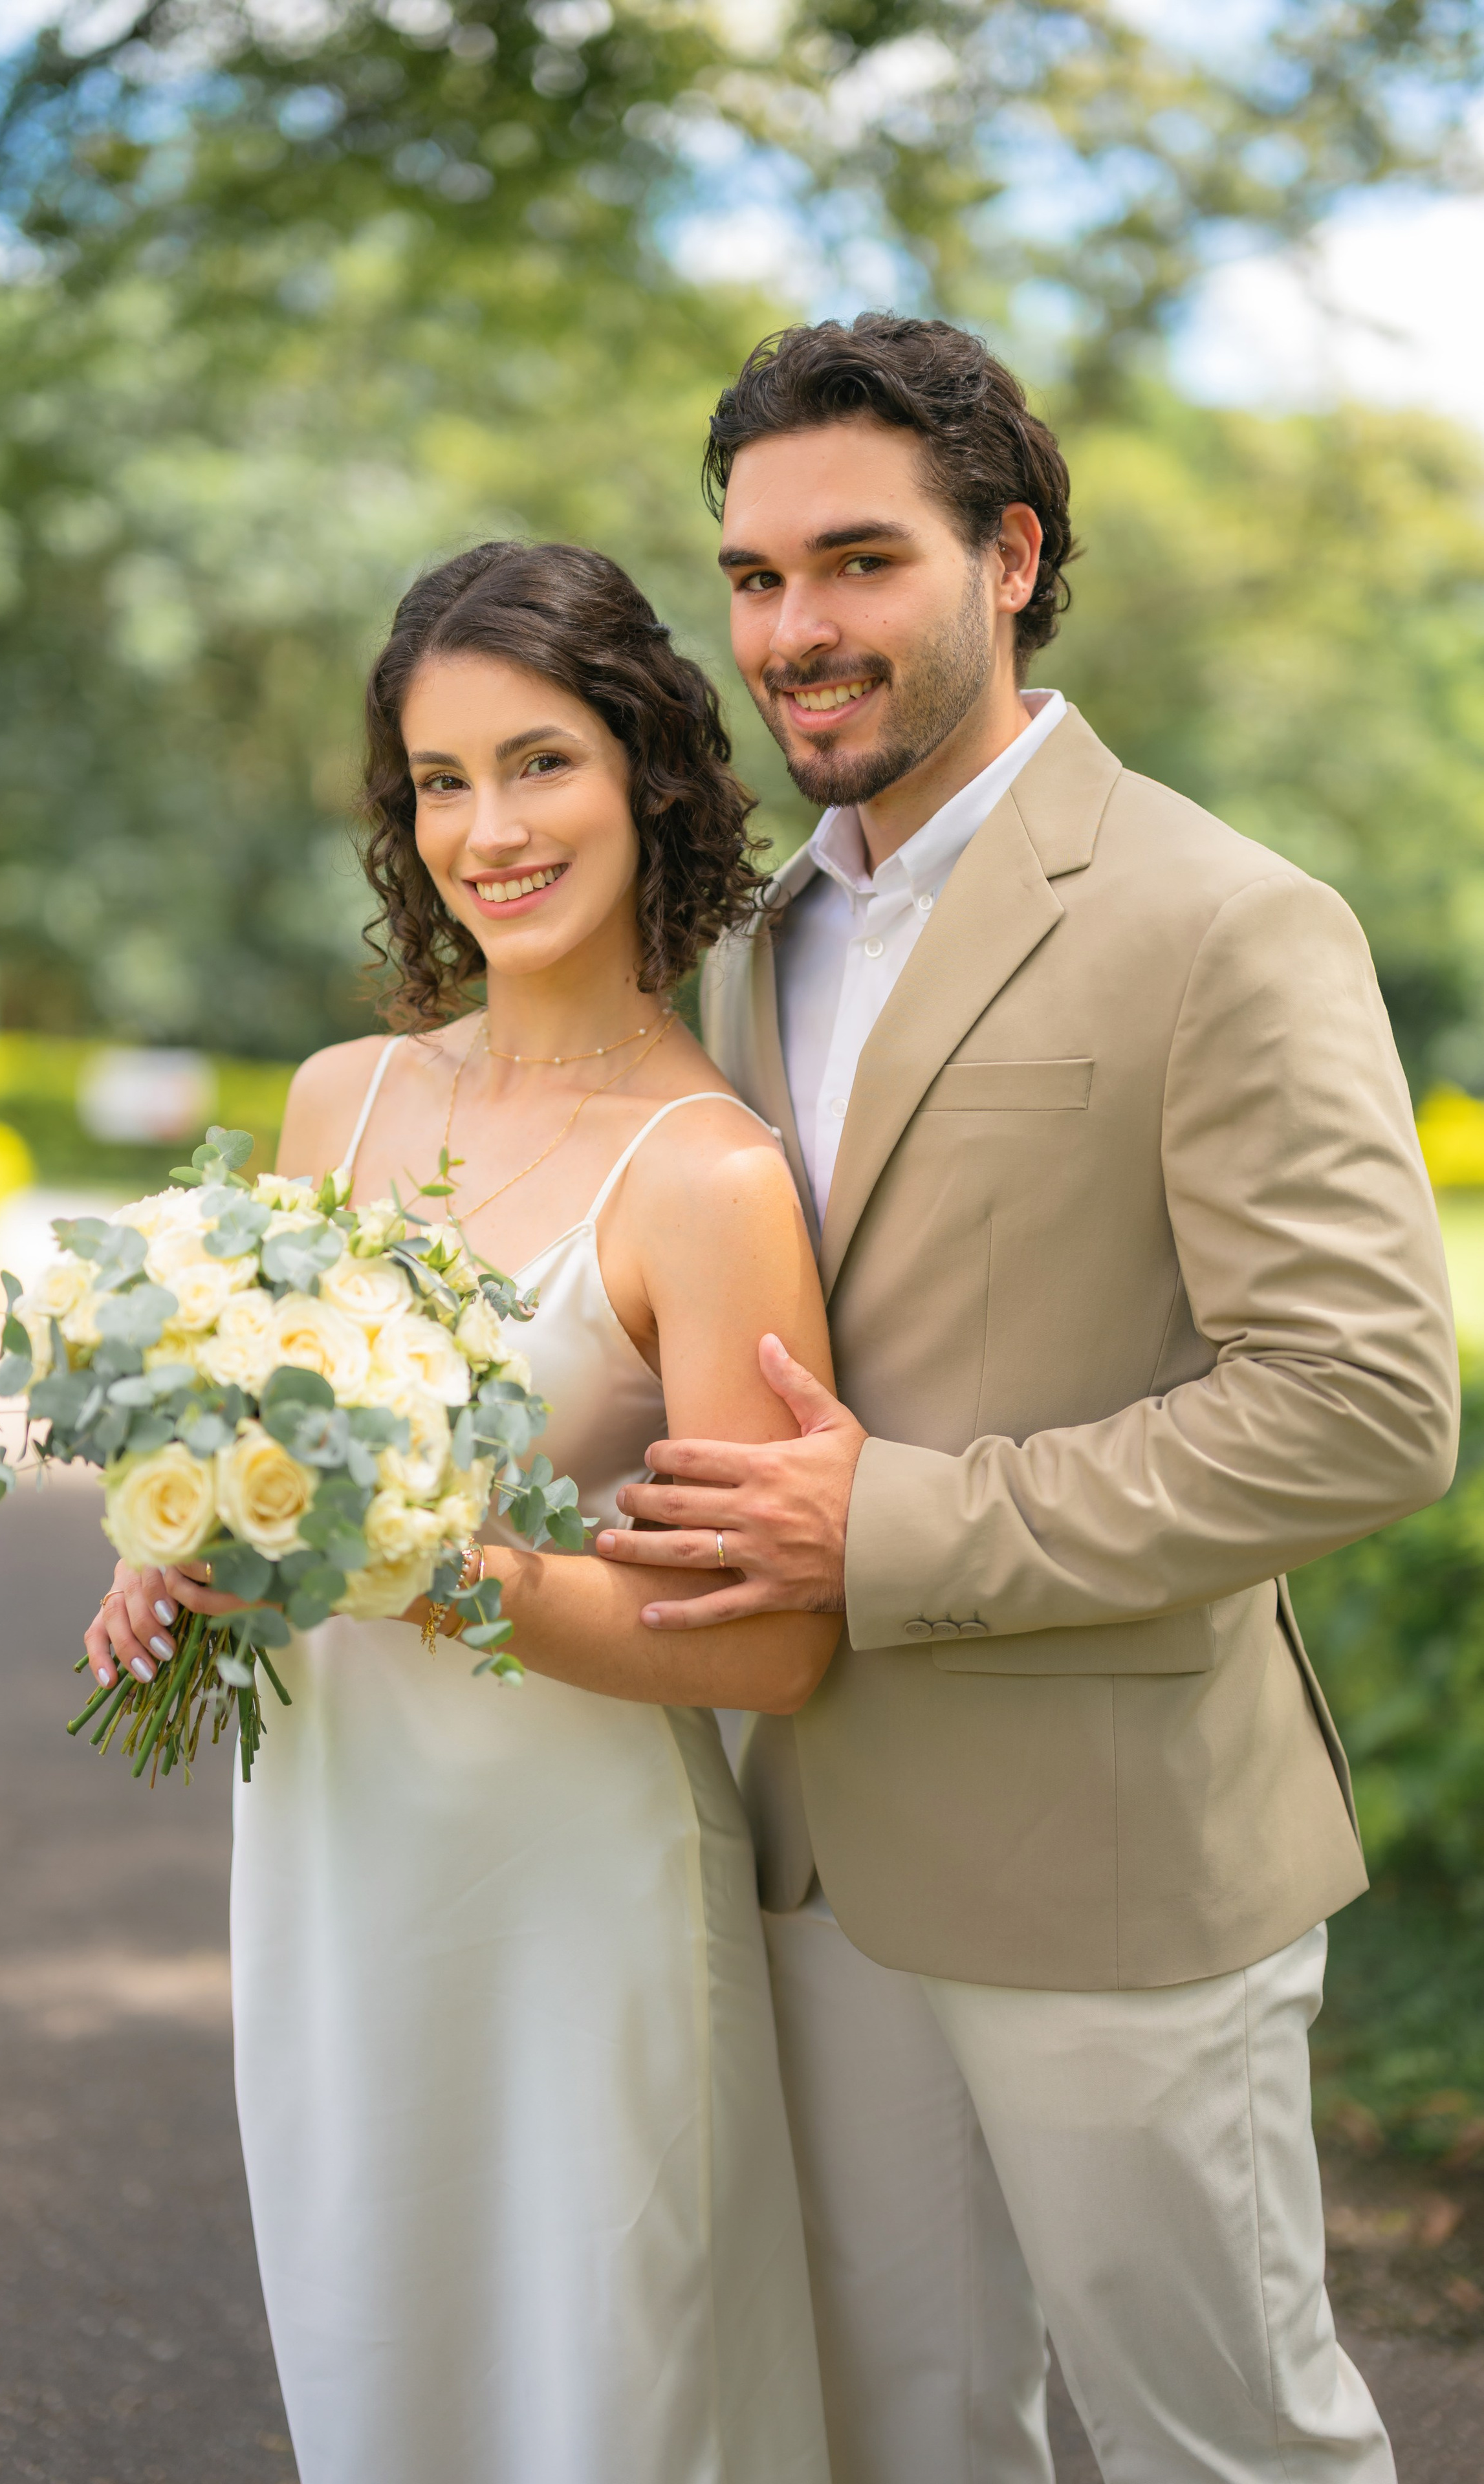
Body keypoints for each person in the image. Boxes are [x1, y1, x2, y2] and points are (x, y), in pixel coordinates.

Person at [595, 315, 1460, 2482]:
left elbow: (1362, 1404)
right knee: (904, 2438)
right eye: (756, 575)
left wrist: (886, 1530)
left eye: (859, 562)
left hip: (1116, 1868)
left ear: (1009, 555)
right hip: (804, 1861)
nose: (794, 631)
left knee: (1224, 2446)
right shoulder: (753, 938)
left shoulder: (1225, 919)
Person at [82, 541, 837, 2484]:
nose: (485, 830)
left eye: (539, 764)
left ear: (648, 775)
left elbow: (776, 1639)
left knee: (609, 2398)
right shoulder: (341, 1102)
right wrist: (183, 1552)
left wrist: (454, 1575)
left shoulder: (714, 1178)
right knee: (380, 2368)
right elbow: (283, 1469)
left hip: (573, 1893)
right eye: (438, 782)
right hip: (336, 1854)